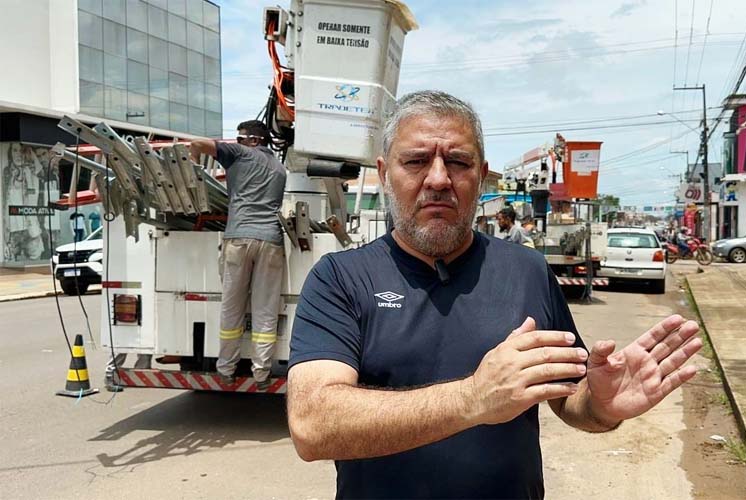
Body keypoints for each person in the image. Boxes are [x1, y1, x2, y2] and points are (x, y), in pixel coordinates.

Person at [286, 90, 702, 499]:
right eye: (415, 161)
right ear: (385, 170)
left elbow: (570, 400)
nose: (438, 179)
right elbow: (313, 425)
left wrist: (602, 406)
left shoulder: (527, 271)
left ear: (481, 176)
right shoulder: (341, 278)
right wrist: (473, 398)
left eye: (458, 162)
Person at [190, 120, 286, 390]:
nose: (237, 142)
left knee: (232, 306)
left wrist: (194, 168)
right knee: (265, 309)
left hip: (239, 237)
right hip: (271, 241)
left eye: (240, 138)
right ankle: (261, 373)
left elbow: (196, 144)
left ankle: (227, 368)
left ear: (254, 140)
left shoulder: (240, 154)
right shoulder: (280, 168)